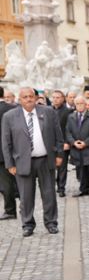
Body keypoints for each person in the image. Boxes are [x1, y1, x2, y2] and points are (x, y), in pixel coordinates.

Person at [1, 87, 64, 237]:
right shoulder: (9, 116)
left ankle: (51, 223)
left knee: (49, 194)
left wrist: (59, 154)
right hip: (22, 162)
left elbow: (58, 134)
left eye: (31, 96)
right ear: (19, 99)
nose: (29, 99)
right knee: (25, 196)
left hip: (45, 160)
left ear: (36, 98)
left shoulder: (48, 112)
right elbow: (6, 142)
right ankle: (27, 224)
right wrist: (9, 164)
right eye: (25, 97)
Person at [67, 96, 89, 197]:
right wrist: (73, 142)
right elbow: (68, 132)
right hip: (77, 148)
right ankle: (84, 189)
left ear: (85, 105)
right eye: (77, 104)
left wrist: (85, 143)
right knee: (81, 170)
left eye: (81, 103)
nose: (79, 106)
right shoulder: (71, 117)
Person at [0, 87, 18, 220]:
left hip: (2, 153)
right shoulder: (13, 108)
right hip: (14, 150)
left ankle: (10, 210)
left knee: (6, 183)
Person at [51, 90, 73, 197]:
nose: (55, 99)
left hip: (63, 143)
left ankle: (61, 188)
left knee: (62, 166)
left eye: (58, 97)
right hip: (50, 143)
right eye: (54, 97)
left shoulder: (67, 111)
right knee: (52, 166)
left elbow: (69, 128)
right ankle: (55, 184)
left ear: (63, 98)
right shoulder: (48, 110)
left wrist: (67, 142)